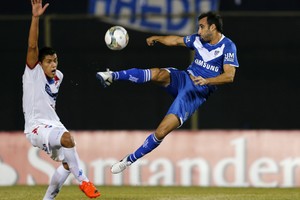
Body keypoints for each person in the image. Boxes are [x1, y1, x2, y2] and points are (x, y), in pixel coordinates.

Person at [96, 11, 239, 174]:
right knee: (157, 73)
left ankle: (128, 160)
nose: (198, 31)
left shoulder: (228, 46)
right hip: (184, 78)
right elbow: (176, 41)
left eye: (201, 27)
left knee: (161, 131)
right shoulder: (197, 39)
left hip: (194, 94)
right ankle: (112, 75)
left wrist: (207, 81)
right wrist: (158, 38)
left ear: (213, 27)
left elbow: (229, 76)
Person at [23, 0, 100, 199]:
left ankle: (48, 199)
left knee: (68, 164)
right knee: (68, 139)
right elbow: (32, 46)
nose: (53, 64)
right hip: (36, 127)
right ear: (39, 64)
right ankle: (84, 182)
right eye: (48, 61)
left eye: (55, 60)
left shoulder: (59, 76)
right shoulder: (33, 73)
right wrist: (35, 17)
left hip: (53, 123)